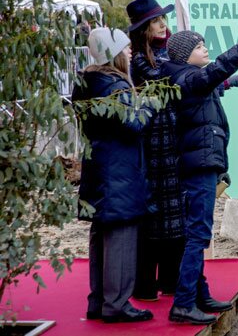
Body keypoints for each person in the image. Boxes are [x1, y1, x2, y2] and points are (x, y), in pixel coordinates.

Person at [161, 24, 238, 324]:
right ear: (185, 55)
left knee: (197, 233)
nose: (205, 49)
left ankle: (198, 294)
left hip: (202, 163)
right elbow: (217, 69)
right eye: (199, 46)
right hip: (199, 165)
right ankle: (184, 303)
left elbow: (213, 83)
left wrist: (233, 83)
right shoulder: (189, 78)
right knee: (198, 234)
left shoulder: (186, 77)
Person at [73, 28, 155, 323]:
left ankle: (98, 300)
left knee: (100, 237)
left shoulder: (87, 82)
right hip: (118, 172)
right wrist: (150, 104)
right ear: (114, 53)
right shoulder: (112, 87)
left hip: (98, 169)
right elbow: (133, 124)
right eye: (125, 47)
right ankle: (117, 303)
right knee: (121, 236)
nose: (131, 51)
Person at [125, 0, 184, 301]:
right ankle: (145, 284)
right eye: (157, 22)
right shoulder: (139, 60)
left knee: (174, 215)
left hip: (172, 144)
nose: (163, 25)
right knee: (153, 217)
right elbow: (174, 80)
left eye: (163, 20)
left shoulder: (167, 52)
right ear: (143, 28)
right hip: (152, 146)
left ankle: (171, 280)